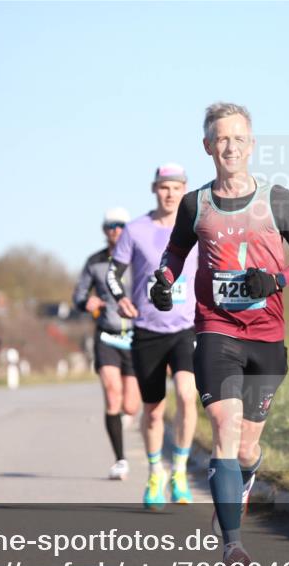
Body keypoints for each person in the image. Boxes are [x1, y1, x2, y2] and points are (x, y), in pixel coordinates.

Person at [150, 103, 289, 566]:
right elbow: (175, 255)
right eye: (221, 139)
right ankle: (234, 548)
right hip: (215, 331)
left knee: (248, 447)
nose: (230, 147)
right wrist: (163, 280)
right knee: (224, 432)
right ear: (208, 146)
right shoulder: (194, 205)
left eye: (238, 139)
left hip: (267, 338)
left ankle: (244, 479)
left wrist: (277, 280)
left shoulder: (276, 198)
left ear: (252, 145)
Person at [105, 164, 199, 510]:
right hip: (148, 329)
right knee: (154, 410)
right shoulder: (135, 230)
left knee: (188, 397)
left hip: (186, 326)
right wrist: (120, 299)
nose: (170, 193)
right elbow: (114, 275)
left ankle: (180, 470)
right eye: (164, 187)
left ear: (185, 189)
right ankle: (156, 472)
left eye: (176, 187)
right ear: (154, 189)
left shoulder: (195, 227)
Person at [72, 207, 141, 481]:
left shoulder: (139, 258)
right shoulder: (94, 262)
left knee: (132, 406)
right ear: (104, 231)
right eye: (110, 226)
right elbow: (78, 295)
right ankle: (120, 460)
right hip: (107, 335)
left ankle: (126, 420)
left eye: (120, 226)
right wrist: (85, 303)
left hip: (136, 339)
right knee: (112, 394)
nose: (115, 231)